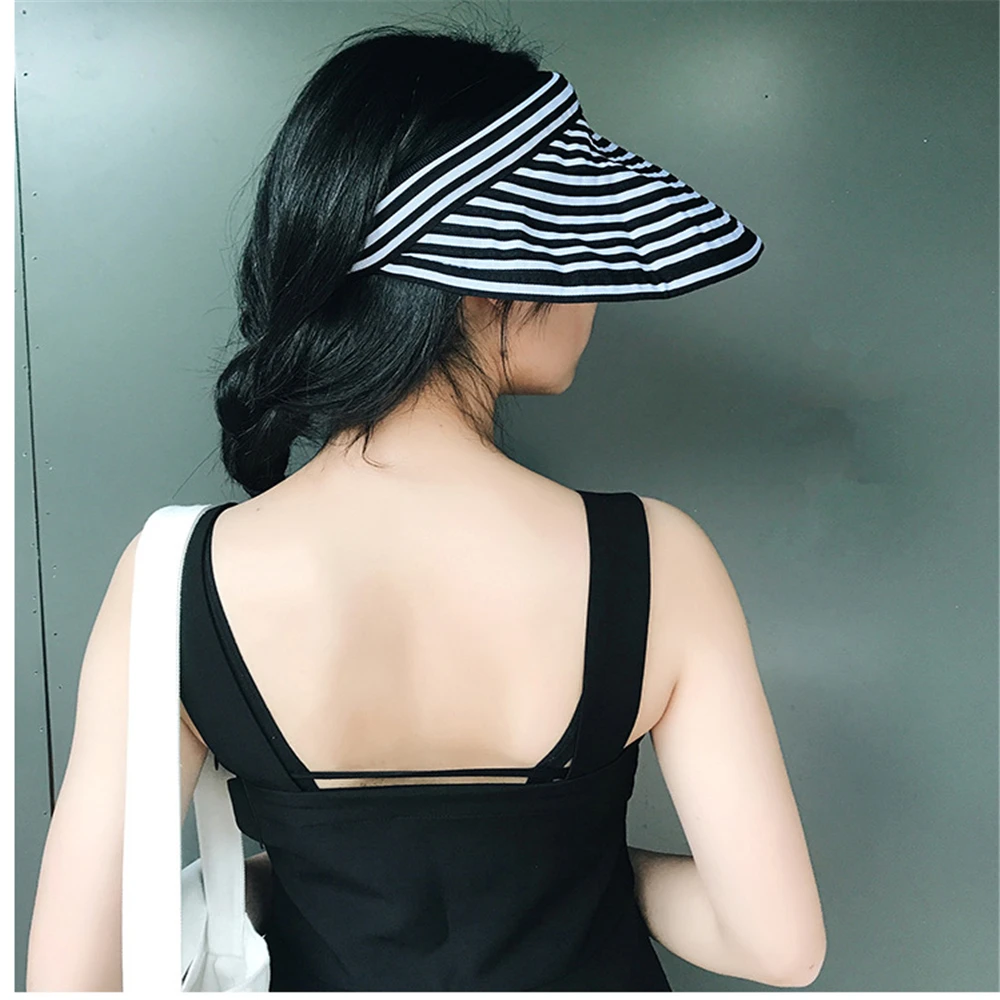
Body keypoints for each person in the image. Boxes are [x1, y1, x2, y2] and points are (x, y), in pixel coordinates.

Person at [26, 19, 826, 992]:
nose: (594, 294)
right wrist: (560, 873)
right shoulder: (655, 556)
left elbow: (72, 978)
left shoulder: (176, 580)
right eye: (574, 250)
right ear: (488, 280)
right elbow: (776, 947)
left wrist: (307, 880)